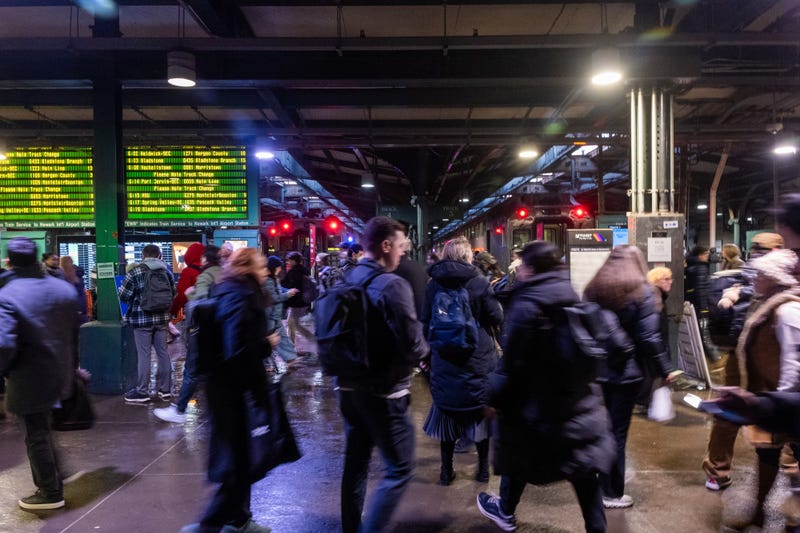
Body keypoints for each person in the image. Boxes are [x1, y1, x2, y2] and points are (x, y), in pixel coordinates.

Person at [476, 240, 615, 533]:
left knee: (518, 458)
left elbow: (511, 366)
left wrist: (492, 398)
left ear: (529, 268)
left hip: (538, 410)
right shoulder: (572, 295)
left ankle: (505, 511)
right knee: (585, 476)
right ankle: (597, 528)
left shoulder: (527, 305)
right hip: (579, 405)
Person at [336, 216, 428, 533]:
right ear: (386, 245)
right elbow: (413, 340)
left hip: (347, 386)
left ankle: (351, 528)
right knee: (400, 468)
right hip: (384, 391)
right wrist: (424, 357)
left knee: (357, 463)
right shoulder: (392, 284)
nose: (403, 254)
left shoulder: (346, 279)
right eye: (401, 247)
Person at [179, 248, 274, 533]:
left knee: (240, 459)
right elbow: (238, 347)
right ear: (247, 267)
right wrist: (267, 343)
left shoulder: (232, 289)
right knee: (240, 462)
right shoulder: (241, 295)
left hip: (228, 387)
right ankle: (209, 525)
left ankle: (240, 519)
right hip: (233, 390)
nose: (266, 271)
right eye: (262, 266)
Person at [583, 245, 678, 509]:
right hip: (626, 373)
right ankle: (611, 493)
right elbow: (649, 336)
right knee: (616, 433)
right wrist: (665, 369)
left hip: (596, 371)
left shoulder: (593, 288)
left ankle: (592, 482)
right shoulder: (642, 292)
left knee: (598, 428)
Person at [0, 237, 78, 510]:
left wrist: (4, 371)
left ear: (8, 262)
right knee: (44, 429)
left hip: (28, 378)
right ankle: (56, 473)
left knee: (35, 433)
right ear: (37, 259)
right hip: (61, 371)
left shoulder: (7, 295)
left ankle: (49, 492)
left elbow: (4, 343)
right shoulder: (63, 289)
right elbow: (73, 332)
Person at [725, 248, 800, 531]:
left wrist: (780, 402)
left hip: (787, 402)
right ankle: (759, 514)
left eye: (762, 273)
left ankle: (793, 518)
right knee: (767, 456)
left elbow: (795, 361)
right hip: (776, 399)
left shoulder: (788, 309)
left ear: (775, 277)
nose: (755, 278)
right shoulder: (768, 303)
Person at [422, 236, 503, 486]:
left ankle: (446, 472)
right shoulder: (479, 281)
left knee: (447, 411)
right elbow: (496, 316)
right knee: (478, 411)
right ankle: (482, 472)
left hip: (445, 357)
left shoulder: (434, 284)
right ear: (469, 256)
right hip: (477, 355)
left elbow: (425, 321)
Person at [154, 245, 222, 424]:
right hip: (219, 329)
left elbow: (187, 299)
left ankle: (180, 408)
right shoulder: (224, 273)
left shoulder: (196, 274)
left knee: (191, 368)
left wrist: (180, 304)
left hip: (199, 327)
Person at [118, 244, 176, 403]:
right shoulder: (166, 272)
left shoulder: (136, 272)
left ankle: (142, 392)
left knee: (144, 355)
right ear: (159, 256)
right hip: (162, 319)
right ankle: (165, 390)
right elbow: (173, 293)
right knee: (163, 353)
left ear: (143, 256)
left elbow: (123, 295)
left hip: (141, 320)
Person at [636, 266, 673, 412]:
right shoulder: (654, 298)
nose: (670, 282)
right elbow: (652, 332)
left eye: (671, 278)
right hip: (650, 346)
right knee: (649, 373)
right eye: (666, 279)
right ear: (656, 281)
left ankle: (643, 402)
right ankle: (642, 402)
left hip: (651, 345)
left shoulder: (657, 296)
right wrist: (666, 367)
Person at [263, 255, 300, 370]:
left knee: (282, 338)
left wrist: (288, 291)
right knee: (269, 341)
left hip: (276, 315)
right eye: (279, 267)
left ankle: (291, 359)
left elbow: (280, 290)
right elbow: (274, 298)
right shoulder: (268, 281)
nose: (280, 269)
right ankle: (266, 364)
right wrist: (287, 294)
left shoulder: (274, 279)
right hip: (270, 316)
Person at [282, 251, 316, 352]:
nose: (287, 262)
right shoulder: (304, 270)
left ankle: (312, 340)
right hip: (303, 302)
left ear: (293, 261)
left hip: (296, 303)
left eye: (289, 260)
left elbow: (288, 285)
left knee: (294, 324)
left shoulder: (293, 272)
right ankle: (292, 345)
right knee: (292, 323)